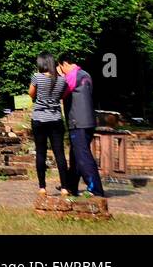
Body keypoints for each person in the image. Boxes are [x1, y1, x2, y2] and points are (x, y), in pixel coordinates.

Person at [57, 55, 104, 198]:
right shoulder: (85, 74)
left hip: (78, 122)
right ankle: (71, 186)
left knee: (83, 156)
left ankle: (95, 189)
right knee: (75, 156)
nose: (61, 71)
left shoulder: (72, 76)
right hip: (88, 121)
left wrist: (59, 76)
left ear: (64, 64)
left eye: (61, 67)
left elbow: (60, 92)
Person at [28, 52, 69, 195]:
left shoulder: (36, 77)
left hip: (39, 118)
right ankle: (64, 187)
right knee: (60, 154)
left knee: (41, 152)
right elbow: (63, 96)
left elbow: (31, 94)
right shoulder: (62, 80)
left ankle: (42, 187)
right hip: (56, 118)